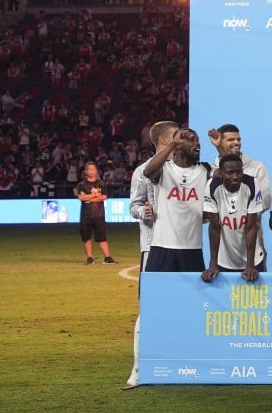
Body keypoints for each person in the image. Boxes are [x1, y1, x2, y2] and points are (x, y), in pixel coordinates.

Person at [124, 120, 176, 390]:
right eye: (177, 136)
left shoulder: (185, 171)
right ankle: (139, 367)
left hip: (181, 248)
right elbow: (133, 205)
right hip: (153, 247)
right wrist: (143, 212)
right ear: (166, 141)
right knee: (150, 309)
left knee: (183, 305)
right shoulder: (143, 171)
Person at [142, 127, 210, 272]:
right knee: (157, 293)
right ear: (178, 145)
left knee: (192, 295)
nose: (197, 144)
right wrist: (172, 144)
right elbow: (147, 172)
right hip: (162, 245)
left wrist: (219, 147)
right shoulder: (164, 168)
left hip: (192, 247)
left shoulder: (205, 170)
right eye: (191, 140)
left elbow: (227, 170)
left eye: (198, 141)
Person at [201, 153, 265, 282]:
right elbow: (214, 227)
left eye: (238, 172)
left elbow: (251, 226)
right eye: (230, 173)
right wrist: (212, 264)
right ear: (220, 173)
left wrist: (250, 265)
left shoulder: (252, 183)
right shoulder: (212, 186)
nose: (235, 177)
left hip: (253, 260)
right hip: (224, 261)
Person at [207, 123, 271, 208]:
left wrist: (238, 215)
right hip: (219, 221)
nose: (236, 142)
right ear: (220, 142)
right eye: (231, 140)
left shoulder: (257, 167)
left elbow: (265, 201)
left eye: (238, 139)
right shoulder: (211, 170)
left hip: (250, 221)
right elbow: (206, 205)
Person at [75, 161, 115, 264]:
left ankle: (107, 257)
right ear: (85, 171)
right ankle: (90, 257)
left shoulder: (101, 184)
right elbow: (81, 197)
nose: (92, 171)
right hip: (85, 215)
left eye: (93, 169)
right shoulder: (80, 185)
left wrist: (89, 198)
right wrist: (95, 195)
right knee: (86, 237)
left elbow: (104, 197)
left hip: (99, 215)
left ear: (96, 171)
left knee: (102, 237)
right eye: (89, 169)